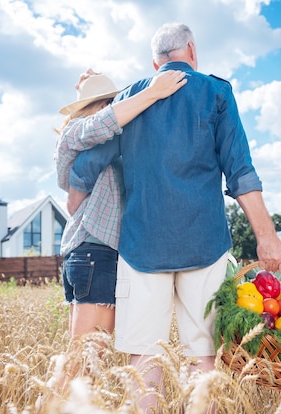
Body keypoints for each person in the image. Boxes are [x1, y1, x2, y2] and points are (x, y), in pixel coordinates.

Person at [68, 23, 281, 414]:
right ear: (191, 50)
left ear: (155, 62)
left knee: (145, 361)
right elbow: (240, 171)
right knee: (202, 357)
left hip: (141, 248)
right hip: (204, 243)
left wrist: (76, 201)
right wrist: (267, 237)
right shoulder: (217, 92)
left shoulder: (132, 96)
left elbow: (87, 162)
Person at [54, 69, 186, 360]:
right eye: (109, 103)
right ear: (99, 107)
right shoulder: (74, 133)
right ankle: (46, 408)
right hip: (95, 253)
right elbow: (105, 124)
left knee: (84, 361)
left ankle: (53, 407)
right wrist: (153, 92)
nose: (114, 108)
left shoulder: (100, 145)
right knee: (84, 363)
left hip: (89, 255)